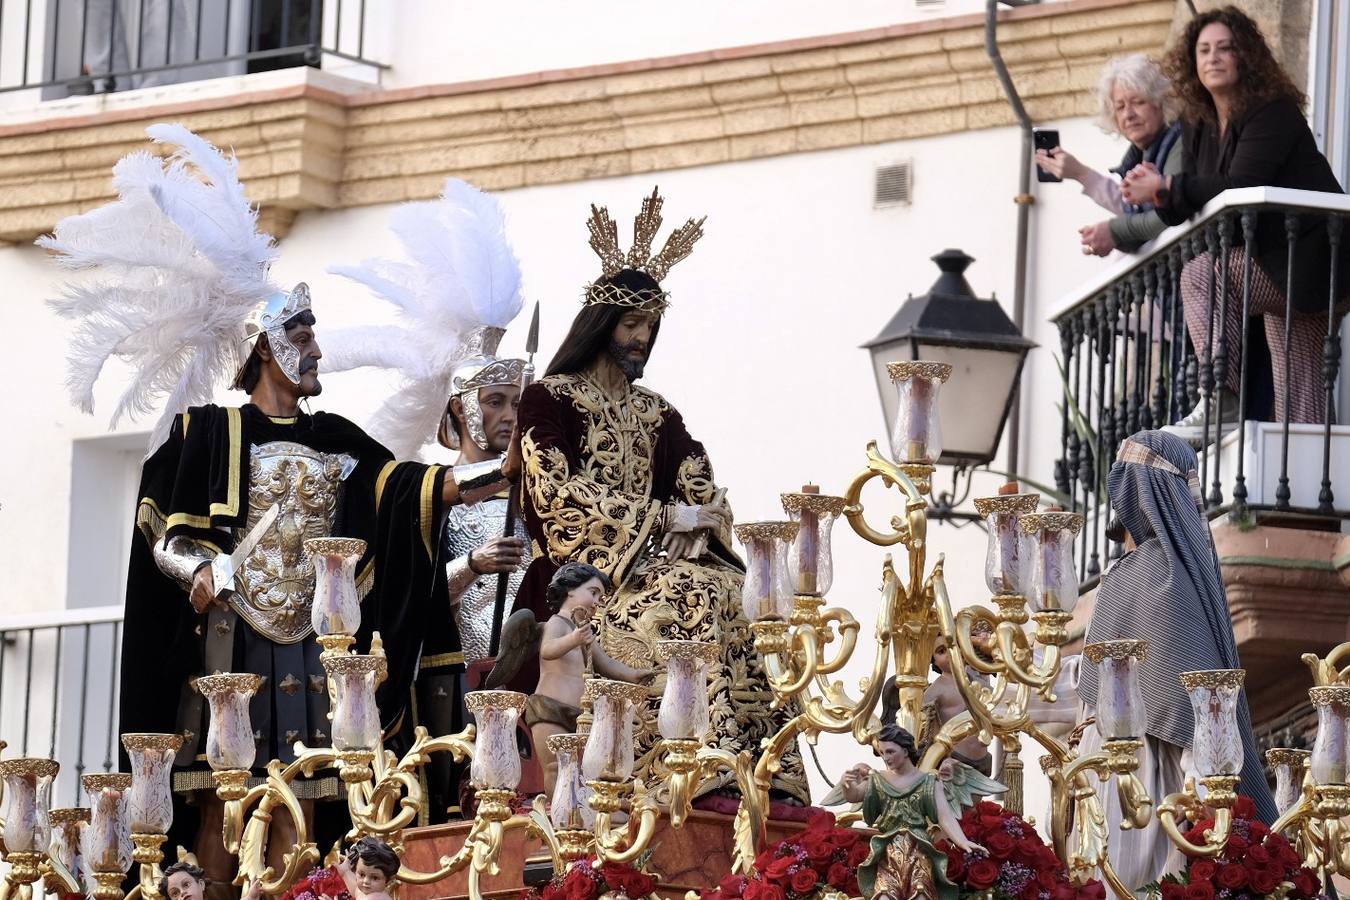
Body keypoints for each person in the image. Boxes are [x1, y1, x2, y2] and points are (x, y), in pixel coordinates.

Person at [43, 126, 502, 882]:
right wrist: (199, 567)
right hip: (233, 644)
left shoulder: (337, 439)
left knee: (320, 796)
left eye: (314, 334)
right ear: (264, 346)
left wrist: (489, 467)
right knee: (226, 802)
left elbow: (407, 489)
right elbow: (159, 526)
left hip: (317, 645)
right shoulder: (207, 431)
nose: (317, 348)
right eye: (303, 334)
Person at [504, 187, 808, 804]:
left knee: (737, 593)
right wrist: (664, 517)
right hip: (582, 576)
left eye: (650, 326)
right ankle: (684, 769)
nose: (642, 338)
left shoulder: (657, 412)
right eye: (631, 323)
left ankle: (757, 769)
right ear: (601, 326)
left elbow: (703, 487)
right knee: (691, 594)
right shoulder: (549, 399)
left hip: (655, 564)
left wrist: (697, 522)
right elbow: (557, 492)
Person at [328, 178, 532, 822]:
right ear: (461, 409)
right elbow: (406, 595)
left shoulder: (537, 493)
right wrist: (472, 567)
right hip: (451, 686)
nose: (507, 414)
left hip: (532, 684)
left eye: (514, 402)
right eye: (493, 401)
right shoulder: (426, 491)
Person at [1122, 6, 1348, 438]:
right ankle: (1307, 502)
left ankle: (1219, 397)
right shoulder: (1200, 123)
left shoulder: (1271, 110)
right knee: (1300, 403)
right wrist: (1158, 191)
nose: (1213, 57)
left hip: (1315, 258)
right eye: (1204, 50)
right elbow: (1193, 198)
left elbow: (1241, 184)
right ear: (1193, 63)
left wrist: (1169, 184)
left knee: (1202, 275)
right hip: (1282, 265)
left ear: (1245, 56)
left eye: (1225, 48)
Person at [1076, 430, 1276, 891]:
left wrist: (1208, 809)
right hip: (1110, 771)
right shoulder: (1174, 573)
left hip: (1146, 781)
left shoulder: (1161, 580)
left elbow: (1194, 702)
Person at [1037, 53, 1183, 255]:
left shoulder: (1179, 141)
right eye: (1120, 107)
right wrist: (1079, 173)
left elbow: (1165, 216)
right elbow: (1134, 215)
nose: (1129, 114)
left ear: (1161, 102)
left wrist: (1113, 231)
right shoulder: (1138, 156)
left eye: (1138, 102)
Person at [527, 562, 652, 795]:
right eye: (593, 593)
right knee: (556, 767)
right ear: (570, 590)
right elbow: (548, 650)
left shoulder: (583, 630)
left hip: (580, 714)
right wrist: (574, 638)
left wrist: (633, 675)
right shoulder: (558, 623)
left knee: (584, 768)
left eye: (600, 597)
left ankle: (581, 813)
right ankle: (560, 817)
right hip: (550, 709)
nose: (596, 602)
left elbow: (605, 663)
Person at [838, 724, 987, 900]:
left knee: (920, 895)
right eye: (883, 752)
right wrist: (846, 785)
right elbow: (855, 795)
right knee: (884, 896)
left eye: (891, 752)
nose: (886, 758)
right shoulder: (877, 779)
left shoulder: (929, 782)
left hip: (919, 850)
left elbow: (944, 816)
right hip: (888, 852)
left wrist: (963, 841)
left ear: (906, 751)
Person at [922, 638, 992, 777]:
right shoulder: (935, 690)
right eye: (941, 651)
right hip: (953, 758)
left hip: (982, 760)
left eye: (955, 646)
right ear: (934, 661)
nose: (950, 653)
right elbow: (926, 727)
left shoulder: (979, 685)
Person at [277, 836, 400, 900]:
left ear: (388, 880)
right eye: (361, 875)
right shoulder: (367, 892)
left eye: (375, 878)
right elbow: (356, 889)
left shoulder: (376, 898)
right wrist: (345, 871)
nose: (366, 881)